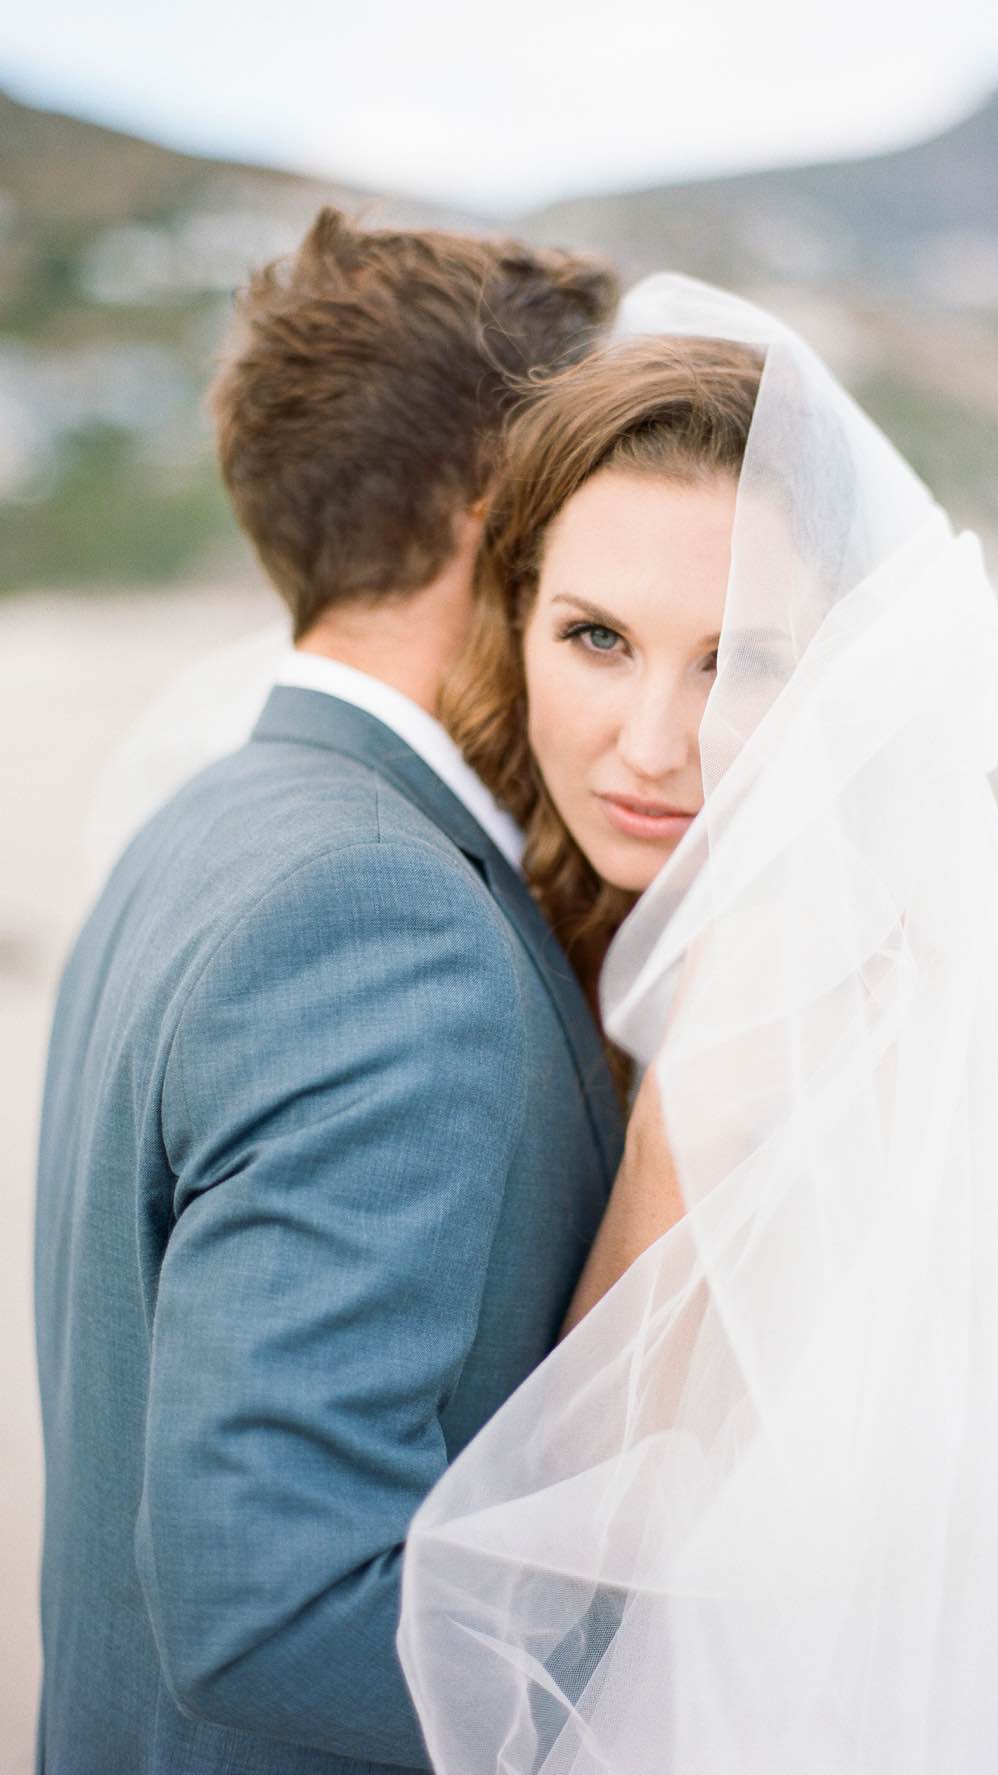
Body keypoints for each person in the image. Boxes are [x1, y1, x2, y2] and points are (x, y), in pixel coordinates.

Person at [398, 276, 998, 1772]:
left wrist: (675, 1138)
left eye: (740, 661)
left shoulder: (777, 985)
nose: (657, 746)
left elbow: (585, 1530)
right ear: (512, 609)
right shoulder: (619, 908)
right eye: (598, 638)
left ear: (839, 672)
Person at [33, 207, 621, 1774]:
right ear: (508, 516)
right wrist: (649, 1671)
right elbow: (274, 1609)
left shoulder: (206, 814)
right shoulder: (380, 916)